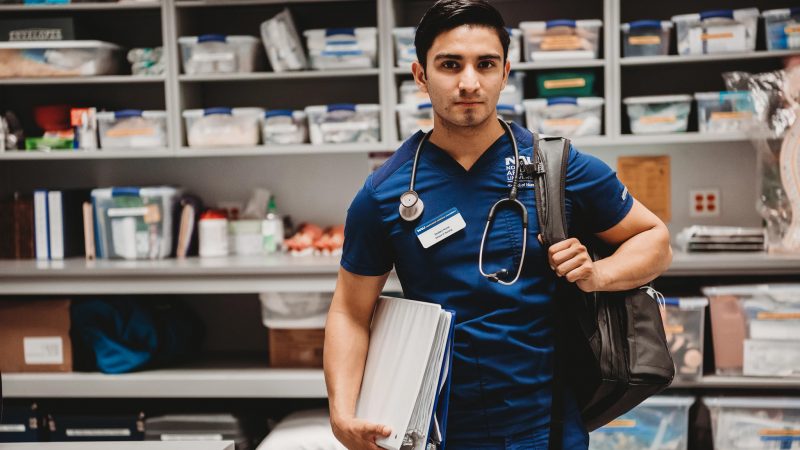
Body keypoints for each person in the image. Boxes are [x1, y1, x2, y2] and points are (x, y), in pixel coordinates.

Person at [323, 0, 673, 448]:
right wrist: (341, 413)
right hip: (435, 422)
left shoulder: (557, 167)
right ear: (421, 75)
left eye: (484, 64)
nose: (469, 82)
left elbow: (655, 240)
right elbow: (350, 311)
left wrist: (597, 274)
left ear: (505, 73)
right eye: (450, 65)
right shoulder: (386, 193)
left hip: (545, 422)